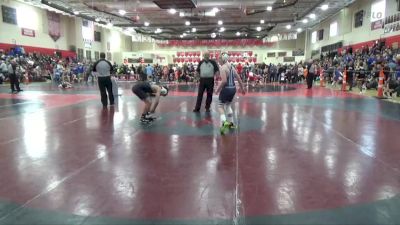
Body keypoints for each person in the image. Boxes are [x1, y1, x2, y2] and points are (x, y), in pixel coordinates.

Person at [215, 53, 245, 135]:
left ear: (223, 60)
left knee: (220, 106)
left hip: (226, 89)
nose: (218, 61)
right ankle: (231, 124)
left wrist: (217, 89)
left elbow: (224, 81)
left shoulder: (223, 68)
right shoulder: (232, 67)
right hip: (233, 89)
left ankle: (224, 123)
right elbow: (238, 78)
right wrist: (242, 88)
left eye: (219, 59)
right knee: (228, 105)